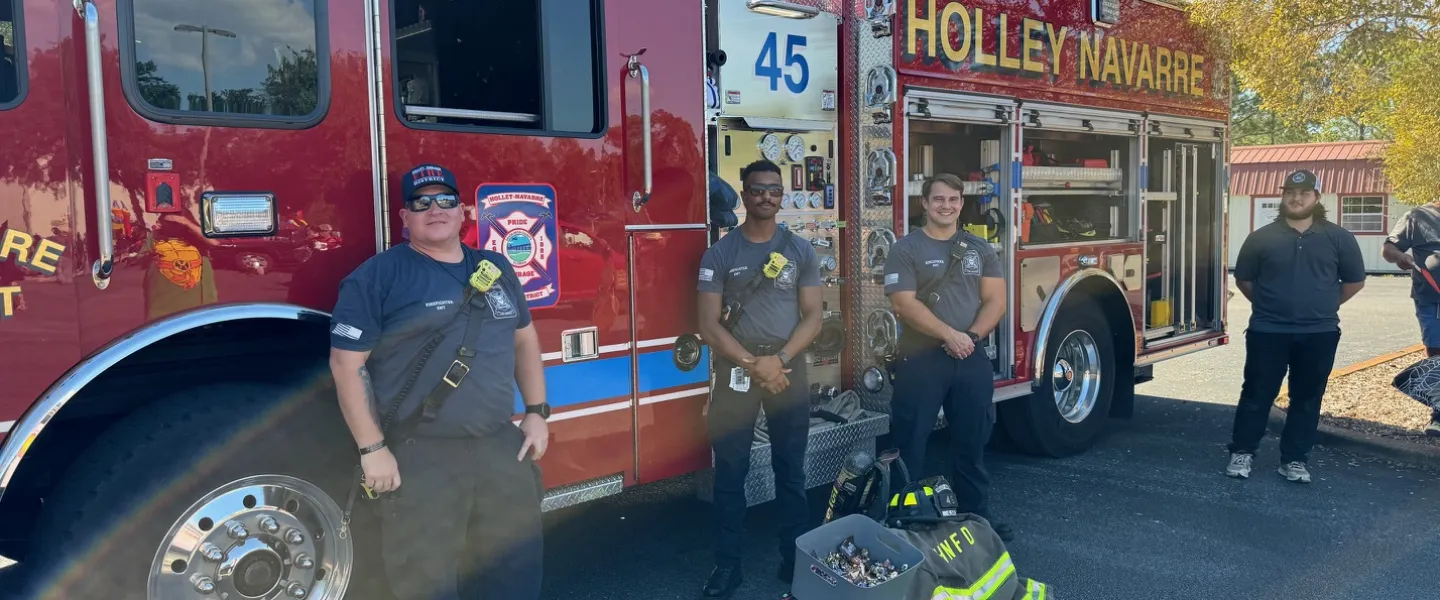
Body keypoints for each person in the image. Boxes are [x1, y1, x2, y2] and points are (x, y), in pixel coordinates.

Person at [328, 163, 551, 600]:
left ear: (464, 210)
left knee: (514, 574)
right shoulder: (377, 276)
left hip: (499, 447)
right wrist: (373, 450)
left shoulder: (496, 266)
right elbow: (345, 366)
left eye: (446, 199)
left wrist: (537, 412)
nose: (436, 209)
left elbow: (525, 341)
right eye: (421, 201)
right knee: (427, 581)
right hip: (421, 455)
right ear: (404, 217)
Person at [696, 159, 823, 598]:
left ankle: (794, 560)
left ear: (781, 195)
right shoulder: (720, 254)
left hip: (787, 368)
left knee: (791, 469)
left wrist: (781, 358)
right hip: (738, 370)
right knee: (730, 472)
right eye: (757, 189)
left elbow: (814, 316)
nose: (765, 196)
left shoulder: (800, 251)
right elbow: (709, 327)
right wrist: (755, 364)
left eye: (773, 189)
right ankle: (727, 567)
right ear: (745, 195)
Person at [881, 173, 1011, 541]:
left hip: (969, 355)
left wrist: (969, 337)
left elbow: (996, 301)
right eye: (939, 199)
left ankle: (976, 516)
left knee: (972, 441)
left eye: (953, 200)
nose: (946, 206)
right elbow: (903, 303)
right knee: (909, 443)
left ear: (961, 204)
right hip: (922, 358)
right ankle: (903, 520)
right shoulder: (905, 249)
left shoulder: (979, 249)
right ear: (924, 203)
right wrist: (950, 335)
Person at [1227, 169, 1366, 483]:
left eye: (1303, 193)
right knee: (1257, 393)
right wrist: (1271, 306)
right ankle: (1242, 452)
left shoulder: (1338, 238)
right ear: (1283, 196)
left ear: (1316, 198)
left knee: (1307, 396)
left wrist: (1324, 306)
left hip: (1319, 333)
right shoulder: (1260, 238)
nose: (1295, 198)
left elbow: (1354, 281)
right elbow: (1244, 281)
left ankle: (1294, 460)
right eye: (1290, 192)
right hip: (1268, 331)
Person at [1381, 196, 1440, 435]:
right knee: (1436, 355)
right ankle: (1438, 416)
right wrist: (1400, 257)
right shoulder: (1418, 216)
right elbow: (1389, 248)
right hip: (1430, 298)